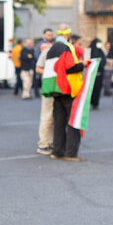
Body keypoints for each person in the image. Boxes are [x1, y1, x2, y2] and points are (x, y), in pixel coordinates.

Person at [41, 24, 87, 161]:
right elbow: (69, 68)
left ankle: (57, 151)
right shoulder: (67, 47)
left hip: (55, 91)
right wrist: (82, 64)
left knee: (59, 123)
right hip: (67, 89)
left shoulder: (51, 49)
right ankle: (70, 153)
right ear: (68, 35)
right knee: (73, 122)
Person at [36, 45, 53, 155]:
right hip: (49, 86)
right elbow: (38, 68)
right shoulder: (47, 52)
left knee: (55, 117)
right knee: (47, 116)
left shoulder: (67, 50)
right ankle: (43, 144)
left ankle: (52, 142)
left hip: (60, 90)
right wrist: (51, 73)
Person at [34, 29, 53, 98]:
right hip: (43, 66)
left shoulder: (53, 43)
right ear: (44, 35)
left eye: (51, 35)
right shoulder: (41, 44)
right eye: (48, 35)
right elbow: (37, 56)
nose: (50, 36)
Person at [88, 38, 106, 109]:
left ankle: (96, 103)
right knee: (91, 88)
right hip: (92, 72)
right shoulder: (90, 51)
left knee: (98, 88)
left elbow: (103, 60)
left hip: (100, 72)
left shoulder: (100, 51)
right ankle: (91, 101)